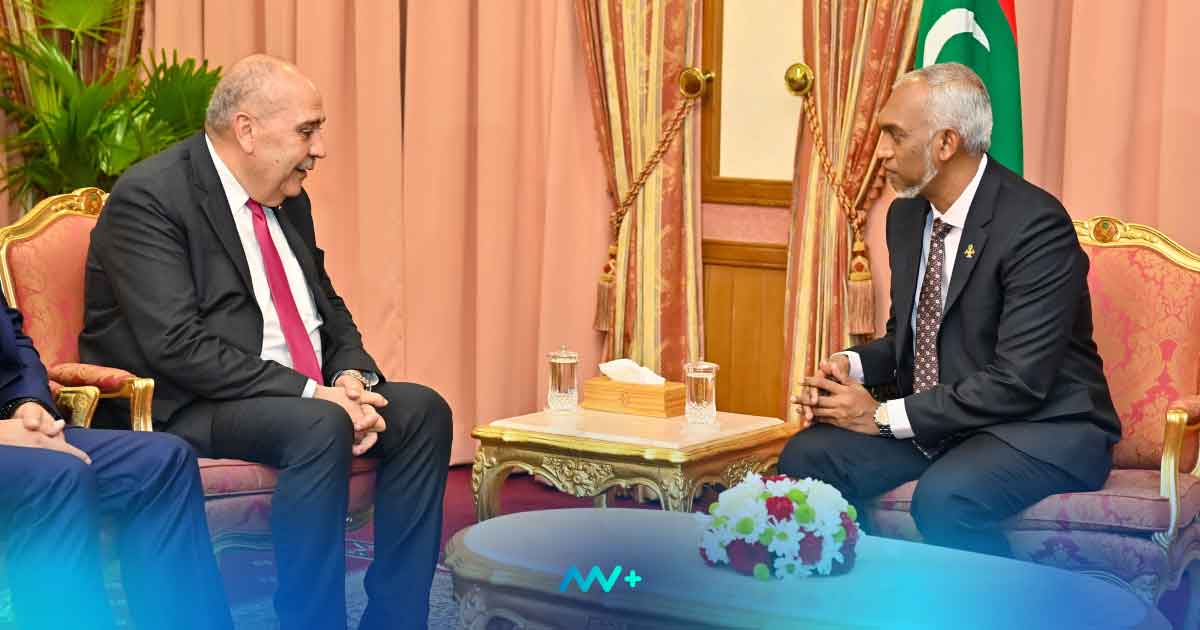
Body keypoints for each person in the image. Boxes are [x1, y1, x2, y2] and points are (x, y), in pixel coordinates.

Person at [80, 54, 452, 630]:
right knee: (320, 423)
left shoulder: (288, 197)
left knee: (424, 410)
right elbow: (176, 344)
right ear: (247, 131)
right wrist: (315, 394)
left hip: (295, 395)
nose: (320, 149)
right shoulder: (151, 198)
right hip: (192, 401)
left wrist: (352, 377)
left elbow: (325, 306)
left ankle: (397, 620)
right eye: (307, 130)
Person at [778, 63, 1120, 557]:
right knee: (807, 456)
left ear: (945, 143)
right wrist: (848, 365)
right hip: (947, 422)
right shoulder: (906, 215)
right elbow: (910, 337)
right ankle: (862, 589)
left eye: (895, 135)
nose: (880, 151)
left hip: (1040, 426)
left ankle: (997, 601)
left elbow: (1019, 381)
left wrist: (881, 417)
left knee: (946, 500)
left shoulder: (1035, 225)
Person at [0, 295, 232, 630]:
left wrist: (27, 403)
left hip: (15, 427)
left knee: (162, 461)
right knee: (58, 475)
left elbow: (13, 340)